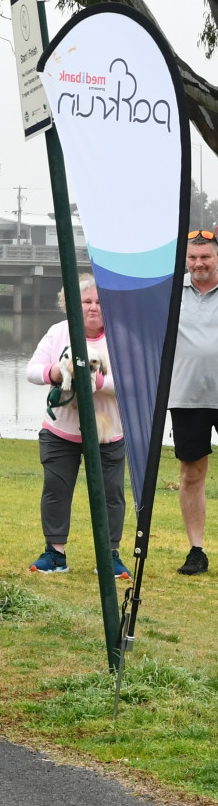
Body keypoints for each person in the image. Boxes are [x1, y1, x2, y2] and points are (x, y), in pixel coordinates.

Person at [24, 276, 126, 577]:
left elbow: (131, 383)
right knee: (56, 490)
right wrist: (54, 371)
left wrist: (95, 381)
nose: (93, 308)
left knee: (111, 494)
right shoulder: (58, 332)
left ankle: (110, 556)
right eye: (86, 302)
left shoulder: (120, 336)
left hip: (108, 434)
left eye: (99, 302)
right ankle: (55, 555)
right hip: (61, 433)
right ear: (71, 305)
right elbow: (31, 370)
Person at [171, 229, 218, 575]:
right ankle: (196, 550)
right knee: (192, 473)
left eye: (205, 257)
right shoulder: (172, 293)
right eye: (192, 258)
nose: (198, 263)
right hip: (186, 396)